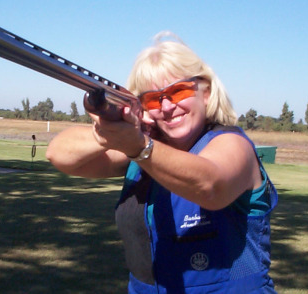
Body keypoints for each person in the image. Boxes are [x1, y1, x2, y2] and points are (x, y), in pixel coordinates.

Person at [46, 31, 277, 293]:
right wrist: (106, 133)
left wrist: (139, 146)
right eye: (153, 99)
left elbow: (210, 186)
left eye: (178, 92)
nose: (166, 107)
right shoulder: (140, 149)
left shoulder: (232, 144)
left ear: (206, 92)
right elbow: (58, 154)